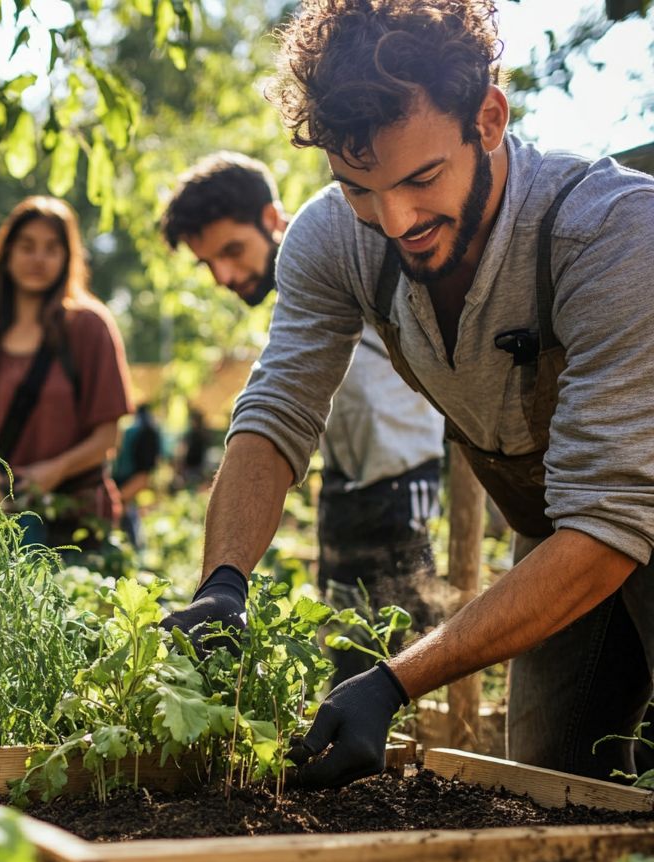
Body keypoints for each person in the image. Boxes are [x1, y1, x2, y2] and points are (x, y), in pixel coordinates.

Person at [162, 0, 654, 788]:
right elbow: (278, 411)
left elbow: (613, 519)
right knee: (550, 781)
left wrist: (393, 682)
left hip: (617, 513)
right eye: (359, 187)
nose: (395, 219)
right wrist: (223, 582)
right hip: (567, 530)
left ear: (488, 119)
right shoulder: (333, 240)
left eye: (422, 178)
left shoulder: (611, 234)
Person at [161, 152, 445, 686]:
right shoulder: (298, 298)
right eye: (208, 264)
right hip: (348, 489)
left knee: (393, 656)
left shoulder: (350, 248)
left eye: (232, 251)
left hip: (399, 484)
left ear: (272, 219)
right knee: (347, 658)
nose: (223, 275)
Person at [0, 196, 132, 551]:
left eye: (52, 248)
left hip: (81, 519)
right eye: (27, 246)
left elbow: (106, 438)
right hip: (12, 518)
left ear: (68, 258)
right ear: (6, 254)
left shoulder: (88, 326)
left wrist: (54, 471)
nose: (39, 259)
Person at [113, 403, 163, 551]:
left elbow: (143, 477)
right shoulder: (140, 430)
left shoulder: (140, 431)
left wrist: (118, 502)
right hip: (121, 496)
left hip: (123, 496)